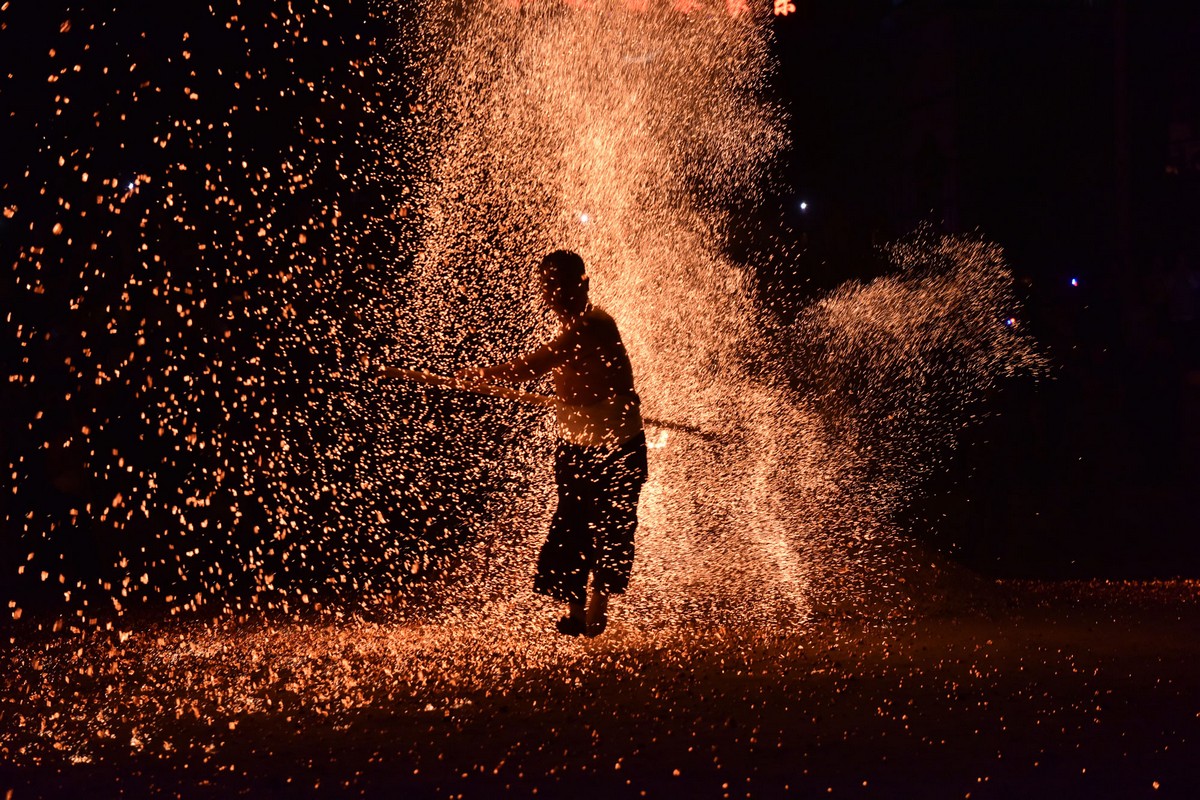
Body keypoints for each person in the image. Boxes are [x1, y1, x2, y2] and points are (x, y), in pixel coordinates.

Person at [457, 250, 648, 637]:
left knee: (612, 527)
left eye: (561, 286)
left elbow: (531, 367)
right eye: (549, 287)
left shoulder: (593, 326)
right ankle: (576, 612)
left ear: (583, 285)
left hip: (618, 446)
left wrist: (481, 375)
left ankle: (598, 607)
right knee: (572, 525)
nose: (554, 295)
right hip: (576, 446)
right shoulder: (569, 330)